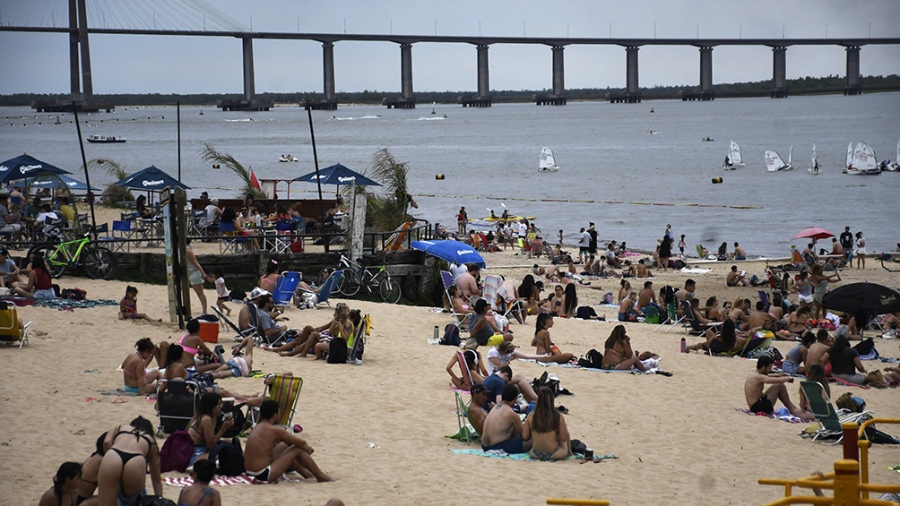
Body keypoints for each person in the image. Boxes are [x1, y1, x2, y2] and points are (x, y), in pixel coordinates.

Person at [244, 399, 335, 483]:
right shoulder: (274, 430)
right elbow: (301, 443)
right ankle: (320, 476)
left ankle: (307, 474)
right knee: (297, 449)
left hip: (250, 471)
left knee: (284, 445)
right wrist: (308, 449)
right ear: (275, 415)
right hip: (262, 474)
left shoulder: (257, 428)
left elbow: (288, 442)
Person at [97, 416, 163, 505]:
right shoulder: (151, 441)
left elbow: (107, 442)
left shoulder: (121, 427)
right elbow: (156, 479)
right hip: (135, 461)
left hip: (113, 455)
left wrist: (108, 456)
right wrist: (160, 500)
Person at [187, 393, 235, 468]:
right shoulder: (206, 419)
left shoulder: (202, 417)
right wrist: (223, 428)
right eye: (218, 405)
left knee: (230, 442)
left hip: (198, 450)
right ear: (210, 407)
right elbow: (211, 444)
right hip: (195, 454)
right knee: (227, 454)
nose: (220, 407)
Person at [523, 386, 571, 461]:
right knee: (565, 434)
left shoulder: (531, 416)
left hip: (535, 454)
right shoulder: (557, 416)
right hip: (554, 454)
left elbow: (525, 436)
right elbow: (564, 438)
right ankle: (570, 453)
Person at [480, 384, 531, 454]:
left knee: (512, 426)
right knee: (533, 440)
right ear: (515, 398)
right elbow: (525, 436)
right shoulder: (511, 413)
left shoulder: (495, 407)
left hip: (484, 445)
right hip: (498, 446)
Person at [185, 239, 209, 315]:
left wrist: (203, 273)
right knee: (178, 289)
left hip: (193, 272)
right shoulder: (178, 249)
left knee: (200, 292)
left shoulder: (187, 250)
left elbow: (195, 262)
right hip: (185, 273)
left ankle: (204, 310)